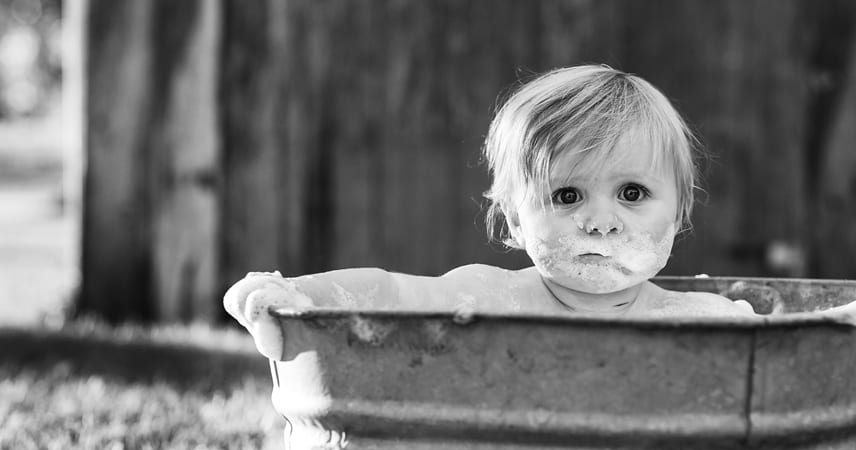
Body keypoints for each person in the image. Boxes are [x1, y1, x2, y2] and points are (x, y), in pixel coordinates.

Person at [224, 64, 753, 359]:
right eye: (567, 196)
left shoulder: (695, 322)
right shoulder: (493, 299)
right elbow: (387, 292)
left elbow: (803, 348)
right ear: (515, 220)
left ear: (680, 212)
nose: (601, 221)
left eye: (632, 193)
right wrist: (294, 295)